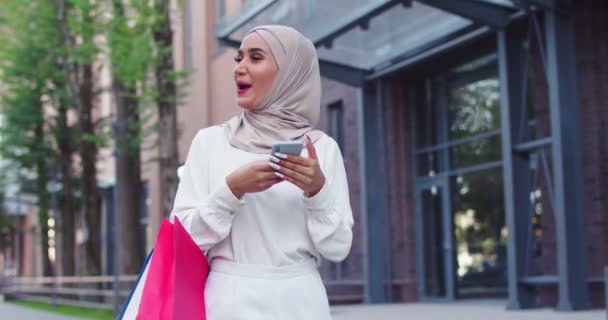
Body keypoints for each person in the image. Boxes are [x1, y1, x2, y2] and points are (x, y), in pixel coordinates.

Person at [170, 25, 354, 320]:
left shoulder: (321, 148)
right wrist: (231, 190)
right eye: (238, 59)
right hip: (228, 301)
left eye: (255, 58)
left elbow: (338, 247)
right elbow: (181, 240)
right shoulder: (210, 142)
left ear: (290, 72)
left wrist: (317, 190)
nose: (239, 69)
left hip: (302, 302)